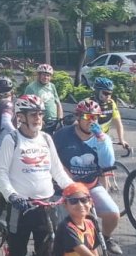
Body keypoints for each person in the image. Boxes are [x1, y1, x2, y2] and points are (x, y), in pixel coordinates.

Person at [0, 94, 74, 256]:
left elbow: (57, 171)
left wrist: (74, 190)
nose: (38, 118)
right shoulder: (12, 140)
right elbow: (0, 173)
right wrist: (12, 196)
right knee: (18, 251)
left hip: (46, 205)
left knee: (46, 250)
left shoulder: (46, 138)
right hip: (21, 207)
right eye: (33, 114)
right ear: (21, 117)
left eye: (40, 114)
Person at [53, 99, 122, 254]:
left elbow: (107, 163)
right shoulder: (62, 135)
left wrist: (102, 140)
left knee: (113, 214)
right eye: (87, 117)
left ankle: (104, 238)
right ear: (78, 117)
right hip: (68, 186)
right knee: (72, 224)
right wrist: (65, 174)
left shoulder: (102, 138)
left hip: (91, 185)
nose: (91, 121)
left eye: (95, 117)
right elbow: (53, 157)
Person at [53, 181, 101, 256]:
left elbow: (93, 249)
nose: (80, 205)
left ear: (90, 202)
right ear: (65, 205)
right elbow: (86, 253)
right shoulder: (66, 227)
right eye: (73, 201)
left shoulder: (90, 222)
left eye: (84, 200)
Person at [91, 77, 131, 155]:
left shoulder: (111, 103)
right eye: (105, 93)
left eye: (110, 93)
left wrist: (121, 139)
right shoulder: (89, 104)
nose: (108, 96)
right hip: (89, 139)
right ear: (97, 91)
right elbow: (90, 125)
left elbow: (118, 123)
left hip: (104, 138)